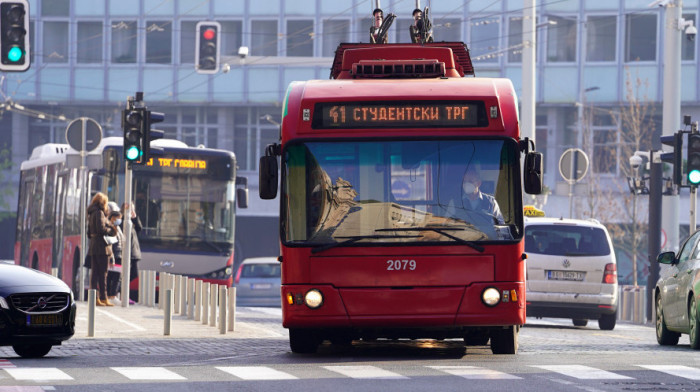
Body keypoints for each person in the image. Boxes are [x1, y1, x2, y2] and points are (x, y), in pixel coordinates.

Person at [87, 192, 117, 306]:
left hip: (94, 246)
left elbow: (89, 233)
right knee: (103, 273)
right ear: (103, 202)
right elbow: (101, 229)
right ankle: (103, 298)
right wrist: (111, 230)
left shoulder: (91, 213)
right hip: (102, 247)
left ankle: (94, 298)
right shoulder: (99, 213)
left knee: (94, 273)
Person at [458, 168, 504, 238]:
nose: (466, 184)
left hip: (487, 242)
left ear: (479, 183)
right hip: (462, 242)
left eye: (470, 181)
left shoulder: (491, 202)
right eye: (464, 181)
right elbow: (447, 224)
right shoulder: (456, 202)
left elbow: (501, 225)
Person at [121, 202, 143, 304]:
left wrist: (134, 217)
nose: (132, 212)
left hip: (133, 253)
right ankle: (122, 295)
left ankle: (123, 294)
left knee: (133, 275)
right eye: (130, 210)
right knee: (124, 275)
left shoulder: (131, 222)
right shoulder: (122, 221)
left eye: (133, 210)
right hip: (126, 253)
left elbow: (139, 228)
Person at [107, 208, 124, 303]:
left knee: (116, 276)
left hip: (119, 255)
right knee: (113, 276)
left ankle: (112, 295)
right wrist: (111, 256)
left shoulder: (118, 228)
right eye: (118, 218)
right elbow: (110, 243)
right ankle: (111, 296)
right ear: (113, 218)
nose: (119, 220)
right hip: (114, 255)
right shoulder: (110, 228)